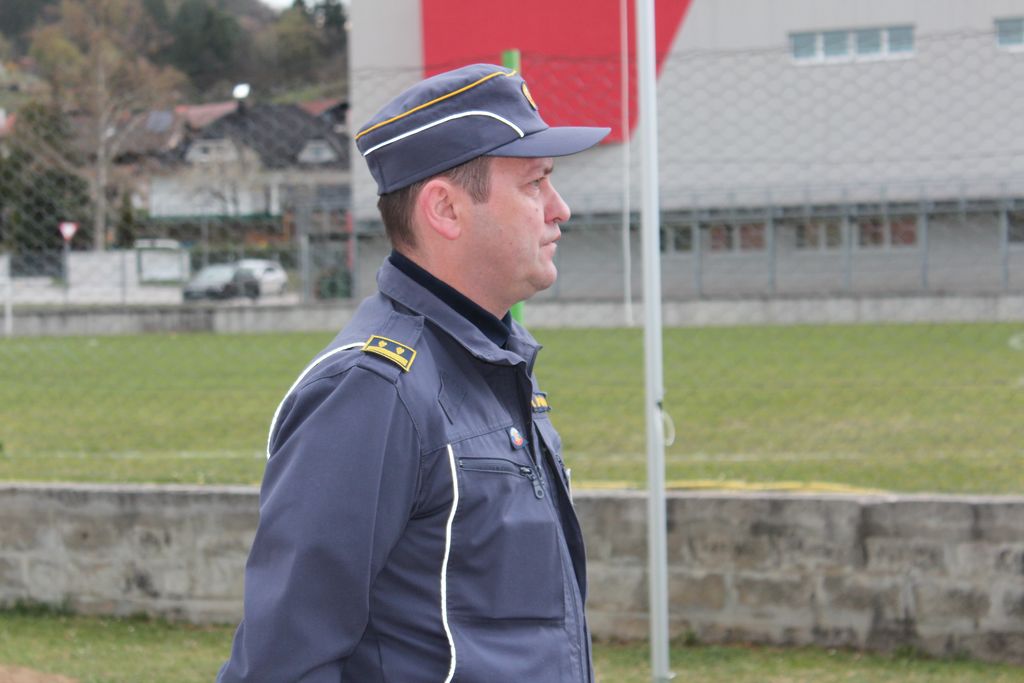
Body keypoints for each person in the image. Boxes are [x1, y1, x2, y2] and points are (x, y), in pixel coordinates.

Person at [217, 63, 609, 682]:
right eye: (535, 183)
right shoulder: (374, 390)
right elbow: (283, 662)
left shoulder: (491, 360)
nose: (560, 209)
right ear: (445, 209)